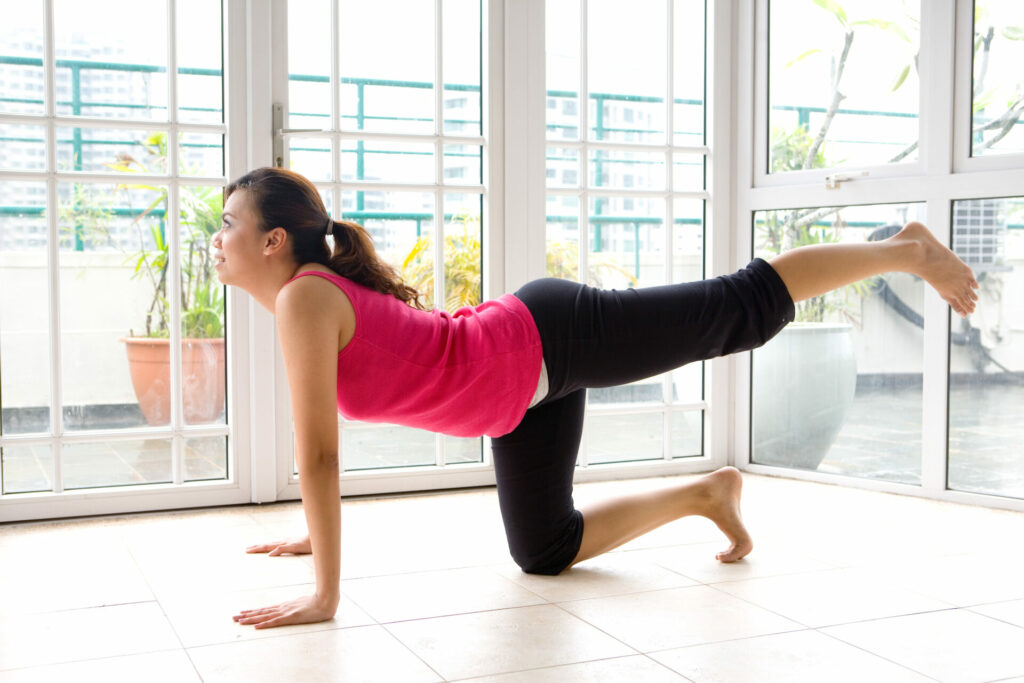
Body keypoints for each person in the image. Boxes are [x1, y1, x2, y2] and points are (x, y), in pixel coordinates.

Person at [223, 167, 977, 630]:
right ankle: (708, 494)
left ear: (273, 241)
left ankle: (906, 249)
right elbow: (326, 446)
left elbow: (319, 454)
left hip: (547, 337)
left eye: (229, 223)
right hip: (519, 392)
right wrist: (315, 538)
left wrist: (325, 592)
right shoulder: (307, 298)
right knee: (544, 550)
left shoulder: (303, 300)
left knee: (738, 307)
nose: (216, 236)